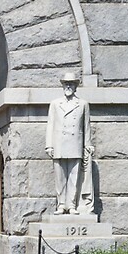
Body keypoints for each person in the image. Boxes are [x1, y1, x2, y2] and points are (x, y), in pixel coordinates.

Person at [45, 72, 94, 215]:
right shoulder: (55, 104)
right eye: (66, 83)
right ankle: (61, 205)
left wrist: (88, 144)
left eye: (71, 83)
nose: (68, 86)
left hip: (75, 144)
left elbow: (86, 126)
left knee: (74, 177)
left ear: (76, 86)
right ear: (62, 85)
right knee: (59, 178)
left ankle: (71, 205)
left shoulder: (83, 104)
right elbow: (50, 124)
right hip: (59, 144)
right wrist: (49, 145)